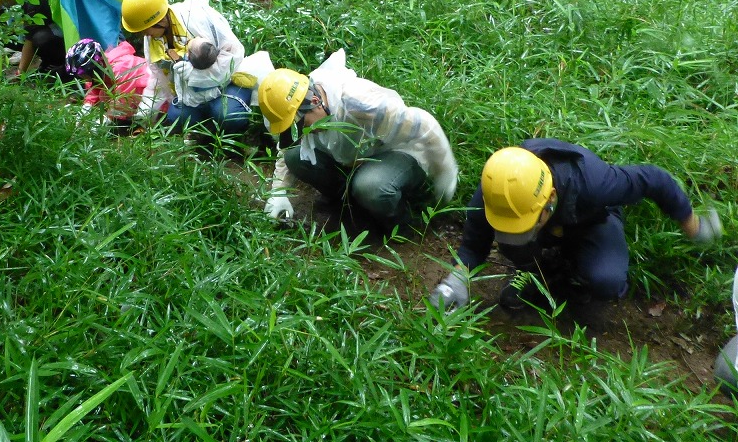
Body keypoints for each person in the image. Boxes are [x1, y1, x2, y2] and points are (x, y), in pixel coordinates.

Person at [429, 140, 723, 318]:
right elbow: (474, 242)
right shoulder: (498, 191)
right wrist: (456, 279)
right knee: (514, 244)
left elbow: (654, 179)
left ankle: (568, 276)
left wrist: (693, 225)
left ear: (551, 200)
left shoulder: (594, 183)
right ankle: (536, 274)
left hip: (590, 220)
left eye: (522, 224)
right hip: (548, 228)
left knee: (606, 280)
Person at [257, 51, 458, 229]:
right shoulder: (304, 105)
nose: (301, 132)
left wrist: (445, 173)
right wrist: (279, 192)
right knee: (295, 157)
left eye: (301, 125)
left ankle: (402, 225)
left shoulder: (362, 106)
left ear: (315, 102)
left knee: (371, 186)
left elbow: (425, 124)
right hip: (353, 156)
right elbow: (287, 144)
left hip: (396, 151)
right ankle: (349, 205)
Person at [120, 0, 252, 136]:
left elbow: (233, 56)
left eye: (144, 30)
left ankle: (231, 133)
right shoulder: (152, 38)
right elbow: (158, 79)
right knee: (177, 118)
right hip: (191, 95)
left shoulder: (197, 17)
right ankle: (206, 134)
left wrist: (196, 75)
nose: (144, 35)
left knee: (228, 116)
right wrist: (145, 114)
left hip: (226, 84)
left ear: (159, 21)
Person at [64, 38, 167, 127]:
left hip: (158, 99)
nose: (84, 78)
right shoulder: (103, 68)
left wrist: (104, 121)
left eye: (84, 75)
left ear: (94, 68)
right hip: (136, 99)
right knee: (104, 95)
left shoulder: (122, 68)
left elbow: (122, 99)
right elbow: (94, 87)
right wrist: (86, 108)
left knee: (143, 118)